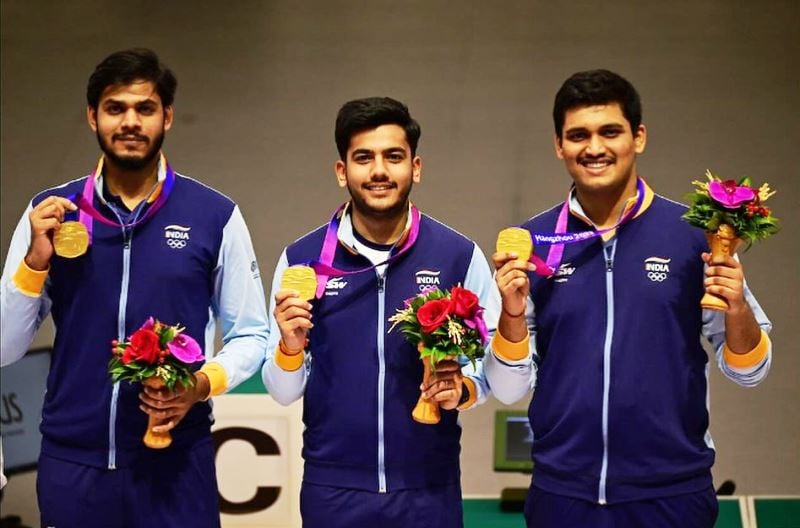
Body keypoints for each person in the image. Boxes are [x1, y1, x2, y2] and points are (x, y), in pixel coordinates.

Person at [484, 69, 772, 528]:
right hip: (562, 495)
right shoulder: (534, 244)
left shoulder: (693, 235)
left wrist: (735, 307)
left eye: (610, 132)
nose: (594, 148)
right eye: (578, 135)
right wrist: (513, 314)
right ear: (559, 145)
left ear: (638, 137)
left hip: (672, 494)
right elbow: (508, 388)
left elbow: (749, 371)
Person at [0, 48, 269, 527]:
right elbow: (3, 346)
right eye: (115, 108)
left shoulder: (214, 216)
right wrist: (33, 264)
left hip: (176, 461)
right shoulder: (48, 213)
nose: (130, 122)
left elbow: (252, 334)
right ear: (92, 116)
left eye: (144, 108)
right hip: (72, 462)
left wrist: (201, 384)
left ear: (166, 116)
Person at [262, 97, 497, 528]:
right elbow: (281, 391)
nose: (379, 171)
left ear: (416, 167)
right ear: (341, 171)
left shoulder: (458, 256)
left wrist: (462, 389)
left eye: (393, 156)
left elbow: (493, 370)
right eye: (363, 158)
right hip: (333, 491)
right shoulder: (302, 260)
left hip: (429, 488)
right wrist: (290, 347)